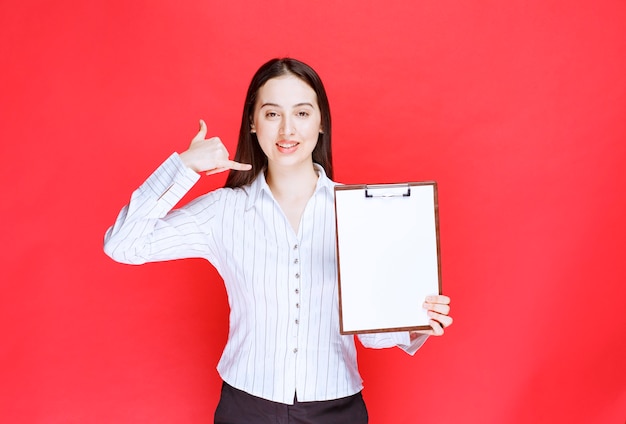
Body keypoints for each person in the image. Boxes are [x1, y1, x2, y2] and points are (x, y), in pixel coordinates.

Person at [104, 57, 453, 424]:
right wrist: (184, 166)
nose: (288, 130)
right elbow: (123, 245)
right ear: (253, 124)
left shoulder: (358, 212)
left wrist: (415, 319)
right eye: (272, 114)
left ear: (321, 124)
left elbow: (372, 336)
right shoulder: (223, 211)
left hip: (337, 410)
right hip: (246, 408)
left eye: (302, 113)